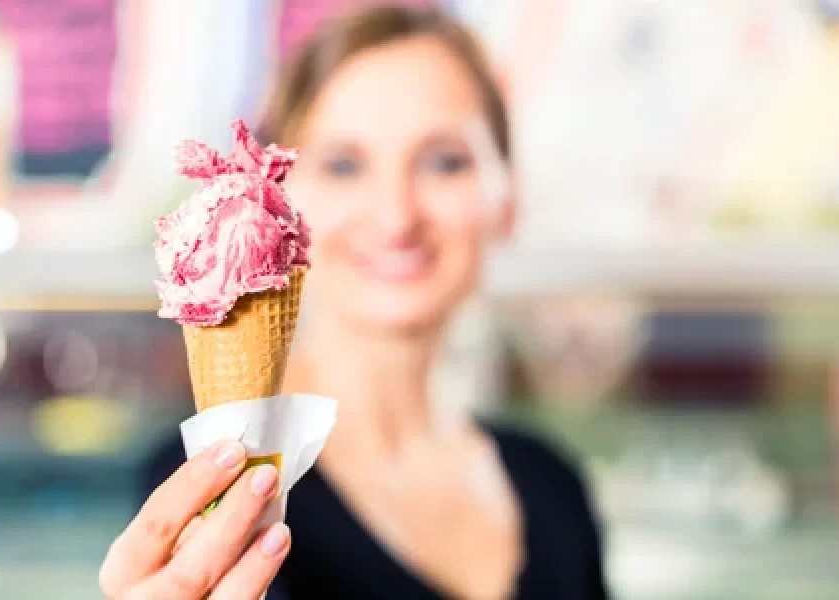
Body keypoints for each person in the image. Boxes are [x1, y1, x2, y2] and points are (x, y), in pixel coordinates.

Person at [100, 6, 609, 599]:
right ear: (280, 201)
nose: (396, 216)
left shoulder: (552, 488)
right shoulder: (212, 477)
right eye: (343, 165)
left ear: (507, 195)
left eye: (444, 162)